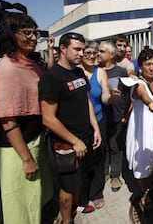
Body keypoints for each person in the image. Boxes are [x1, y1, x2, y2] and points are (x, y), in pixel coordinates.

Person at [0, 13, 53, 224]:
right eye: (27, 32)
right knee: (17, 202)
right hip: (15, 147)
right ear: (11, 34)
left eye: (35, 32)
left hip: (33, 138)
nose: (34, 37)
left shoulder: (31, 63)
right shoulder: (6, 67)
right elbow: (7, 119)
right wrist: (26, 158)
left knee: (32, 195)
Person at [39, 32, 101, 224]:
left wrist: (95, 128)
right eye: (77, 49)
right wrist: (75, 141)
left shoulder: (79, 72)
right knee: (67, 186)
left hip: (85, 138)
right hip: (66, 144)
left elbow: (86, 101)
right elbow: (48, 119)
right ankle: (67, 220)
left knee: (78, 181)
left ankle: (74, 210)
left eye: (83, 49)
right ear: (63, 49)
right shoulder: (52, 77)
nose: (82, 54)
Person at [78, 40, 115, 212]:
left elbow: (105, 97)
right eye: (88, 53)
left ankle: (97, 192)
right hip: (80, 123)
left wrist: (111, 97)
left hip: (99, 120)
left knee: (98, 158)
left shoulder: (100, 72)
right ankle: (82, 195)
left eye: (95, 53)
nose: (93, 56)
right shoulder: (75, 71)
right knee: (82, 160)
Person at [126, 48, 153, 211]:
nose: (152, 68)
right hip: (142, 130)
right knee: (142, 159)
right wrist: (150, 103)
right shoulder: (138, 83)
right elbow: (143, 94)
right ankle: (144, 192)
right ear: (140, 66)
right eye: (148, 64)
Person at [97, 41, 131, 192]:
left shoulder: (121, 72)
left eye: (101, 51)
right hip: (100, 117)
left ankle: (115, 175)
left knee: (115, 146)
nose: (98, 54)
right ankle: (104, 172)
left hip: (117, 117)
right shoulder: (96, 71)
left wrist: (125, 115)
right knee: (103, 146)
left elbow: (127, 95)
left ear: (111, 55)